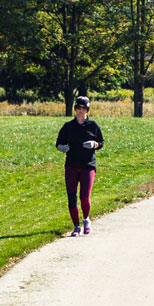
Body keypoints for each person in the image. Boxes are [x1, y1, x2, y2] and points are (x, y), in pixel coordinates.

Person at [57, 93, 103, 235]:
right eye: (78, 107)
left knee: (84, 196)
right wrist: (62, 148)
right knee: (72, 197)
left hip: (88, 165)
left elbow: (101, 142)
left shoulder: (93, 125)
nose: (80, 110)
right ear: (75, 109)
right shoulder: (68, 126)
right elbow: (59, 142)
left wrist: (94, 144)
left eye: (83, 108)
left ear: (87, 110)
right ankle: (76, 226)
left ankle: (86, 220)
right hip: (71, 165)